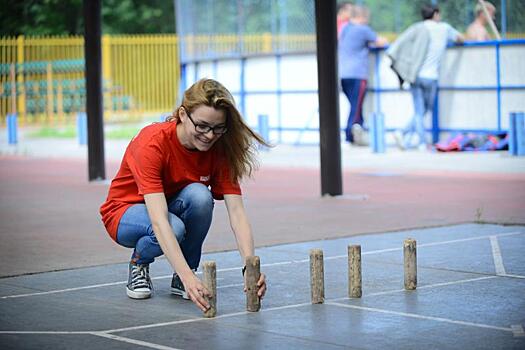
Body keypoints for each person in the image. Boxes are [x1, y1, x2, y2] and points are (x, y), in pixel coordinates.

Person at [100, 79, 268, 312]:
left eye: (218, 128)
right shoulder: (152, 143)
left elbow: (238, 213)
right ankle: (140, 263)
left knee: (201, 197)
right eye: (202, 126)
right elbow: (159, 221)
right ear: (182, 114)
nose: (209, 135)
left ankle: (183, 275)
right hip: (124, 213)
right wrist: (190, 277)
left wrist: (250, 268)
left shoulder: (219, 151)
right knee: (174, 227)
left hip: (167, 208)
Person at [388, 3, 464, 151]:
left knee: (419, 110)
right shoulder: (444, 28)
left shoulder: (417, 28)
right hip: (432, 77)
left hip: (416, 76)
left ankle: (402, 132)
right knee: (423, 110)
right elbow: (459, 38)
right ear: (436, 14)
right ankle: (421, 142)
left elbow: (397, 45)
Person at [338, 5, 388, 146]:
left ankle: (356, 133)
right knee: (356, 107)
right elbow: (380, 41)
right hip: (358, 74)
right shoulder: (363, 29)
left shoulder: (344, 28)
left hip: (343, 74)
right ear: (362, 17)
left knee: (355, 106)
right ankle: (349, 136)